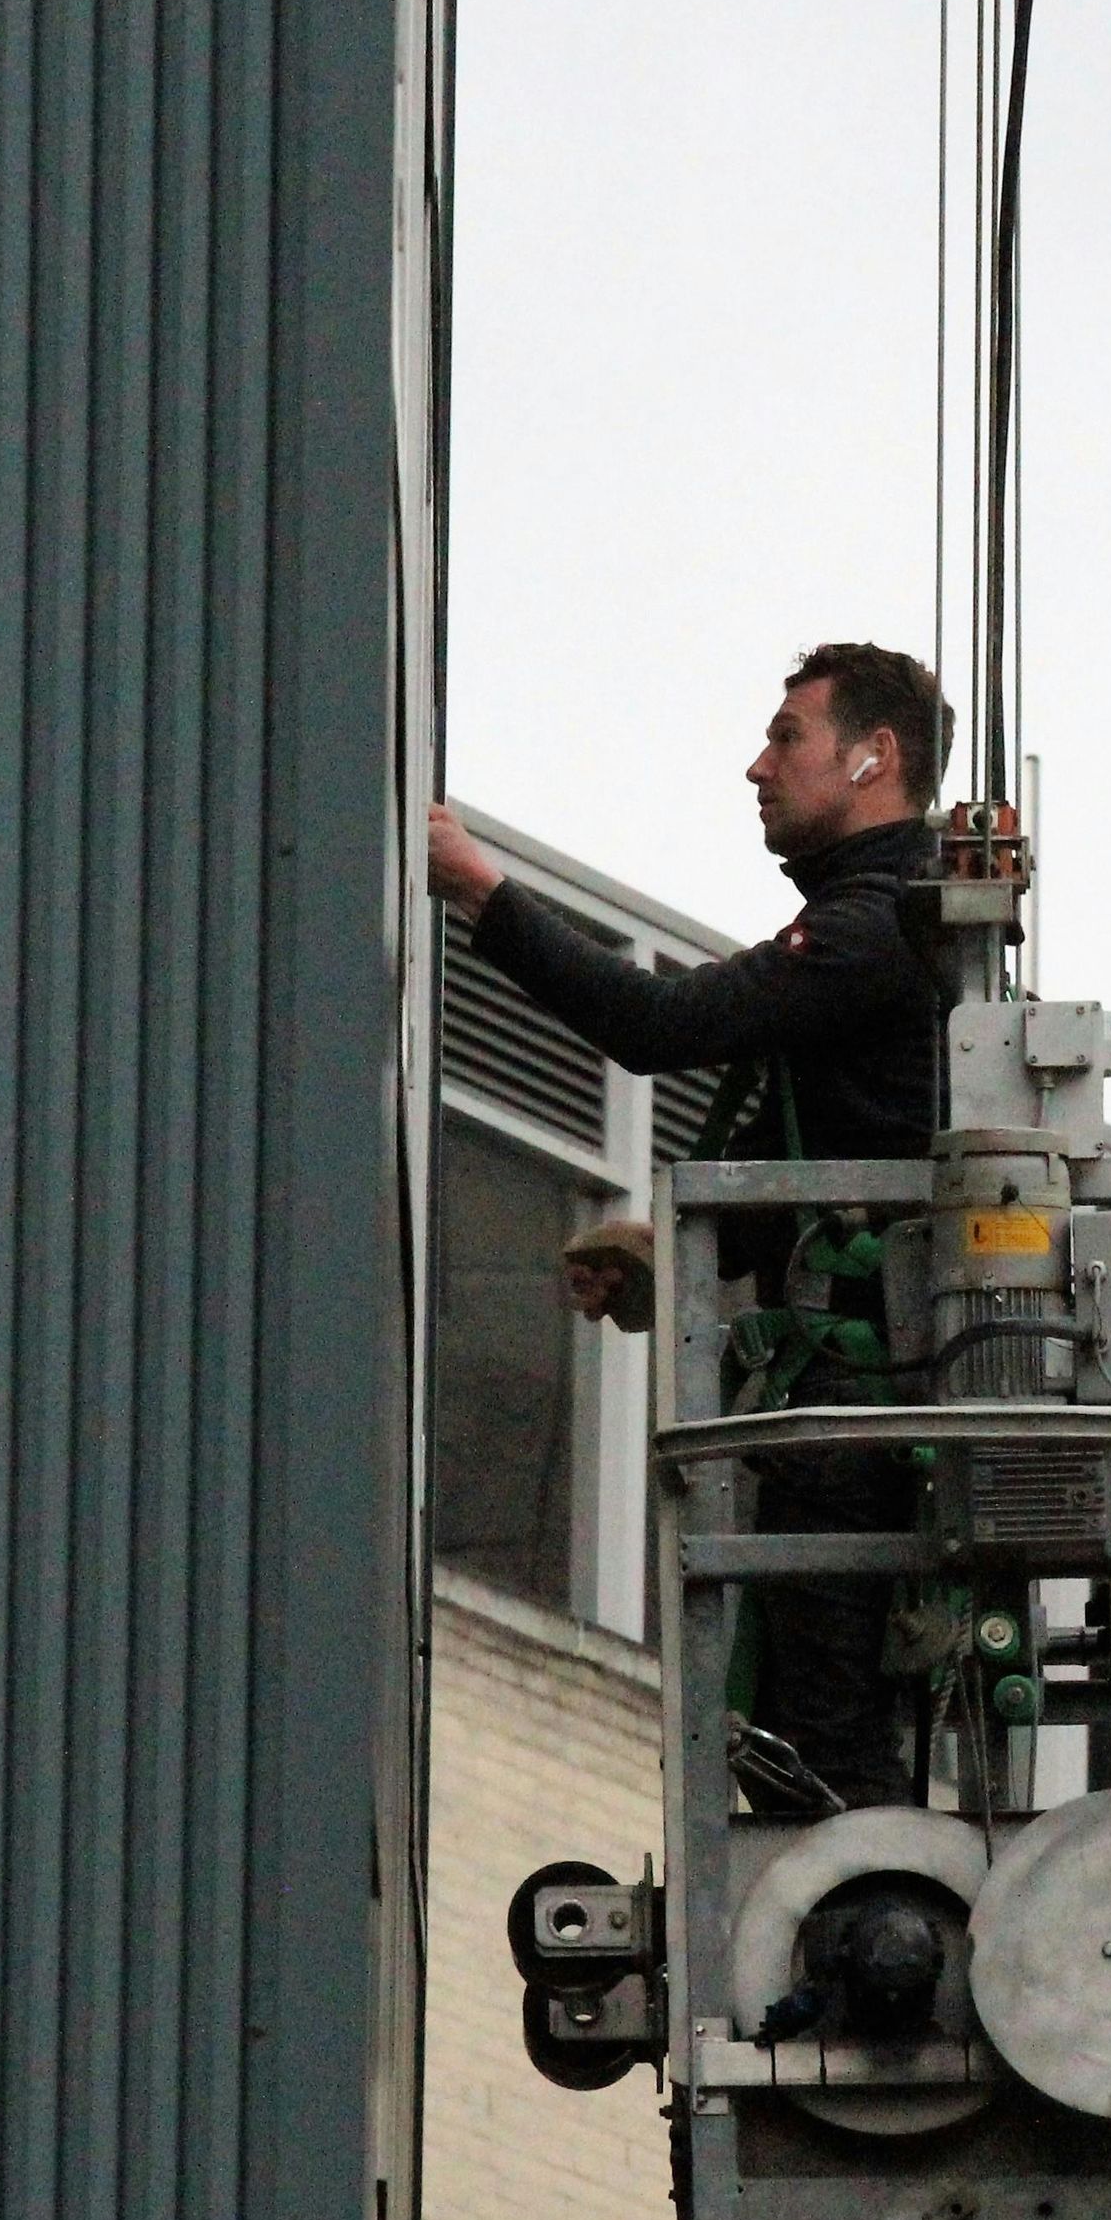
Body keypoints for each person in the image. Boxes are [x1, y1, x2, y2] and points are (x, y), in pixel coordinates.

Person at [428, 642, 953, 1805]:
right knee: (805, 1730)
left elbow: (656, 1021)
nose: (756, 766)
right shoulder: (887, 927)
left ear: (875, 760)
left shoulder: (875, 931)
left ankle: (869, 1930)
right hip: (859, 1399)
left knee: (821, 1739)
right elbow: (841, 1169)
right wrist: (679, 1260)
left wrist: (476, 887)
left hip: (863, 1411)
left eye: (788, 737)